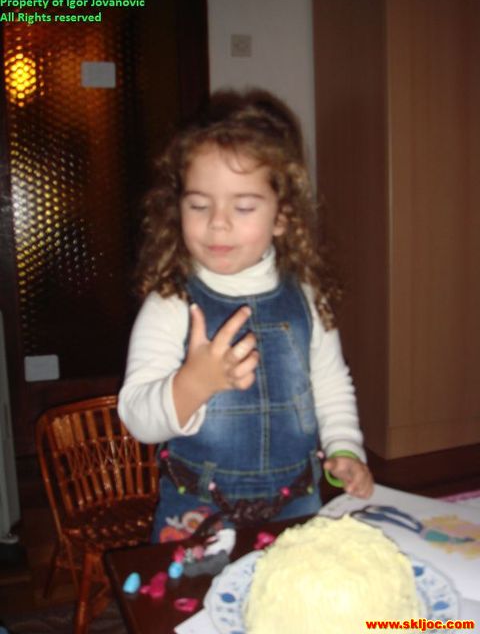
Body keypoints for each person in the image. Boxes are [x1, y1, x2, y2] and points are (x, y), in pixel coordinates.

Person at [118, 88, 373, 543]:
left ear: (282, 216)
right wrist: (193, 384)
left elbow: (331, 382)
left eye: (243, 206)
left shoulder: (307, 295)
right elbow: (137, 417)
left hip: (297, 502)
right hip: (197, 512)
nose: (218, 222)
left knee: (295, 589)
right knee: (197, 594)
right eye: (199, 205)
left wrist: (346, 446)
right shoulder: (170, 300)